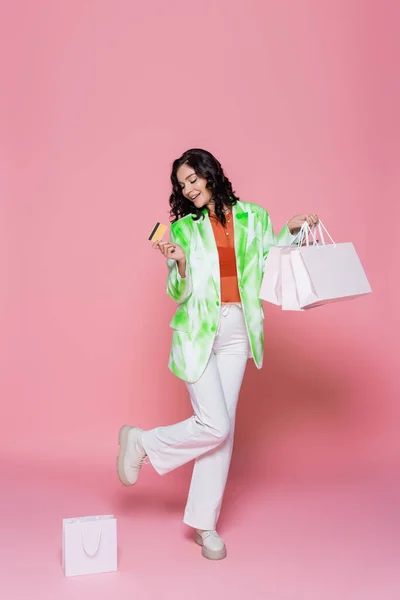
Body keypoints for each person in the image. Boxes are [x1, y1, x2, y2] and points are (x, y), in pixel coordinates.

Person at [117, 148, 318, 560]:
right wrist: (179, 264)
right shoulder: (184, 230)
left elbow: (269, 264)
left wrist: (292, 231)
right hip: (197, 333)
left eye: (193, 179)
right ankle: (142, 443)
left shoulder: (254, 217)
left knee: (222, 433)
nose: (188, 189)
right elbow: (177, 294)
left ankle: (204, 524)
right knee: (215, 425)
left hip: (239, 332)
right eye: (182, 184)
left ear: (210, 174)